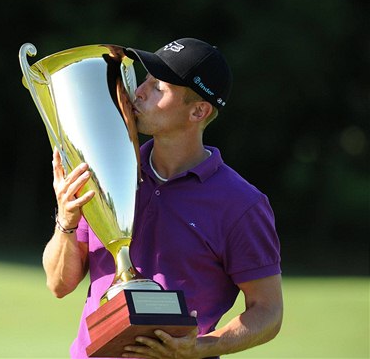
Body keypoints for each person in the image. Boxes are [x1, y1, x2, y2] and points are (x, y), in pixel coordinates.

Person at [43, 38, 283, 359]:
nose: (139, 92)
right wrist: (66, 222)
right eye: (145, 80)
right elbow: (59, 285)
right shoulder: (104, 170)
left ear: (198, 110)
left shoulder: (242, 204)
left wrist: (200, 346)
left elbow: (268, 311)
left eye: (158, 87)